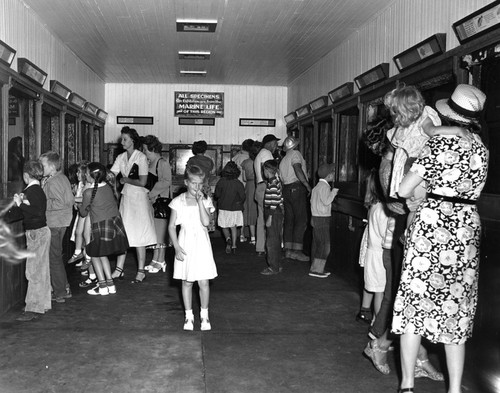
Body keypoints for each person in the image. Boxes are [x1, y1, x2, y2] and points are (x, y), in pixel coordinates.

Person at [392, 84, 488, 393]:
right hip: (466, 229)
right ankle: (455, 388)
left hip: (432, 228)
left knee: (413, 306)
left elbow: (404, 190)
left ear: (448, 114)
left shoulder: (435, 147)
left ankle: (407, 385)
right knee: (456, 310)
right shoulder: (483, 150)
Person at [362, 112, 443, 381]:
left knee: (406, 296)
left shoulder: (395, 160)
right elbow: (401, 197)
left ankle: (416, 356)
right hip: (407, 232)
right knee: (400, 294)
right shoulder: (398, 161)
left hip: (414, 229)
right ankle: (382, 345)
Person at [385, 85, 467, 226]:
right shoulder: (420, 119)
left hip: (407, 169)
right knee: (417, 208)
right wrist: (457, 130)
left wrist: (458, 130)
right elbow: (433, 131)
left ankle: (409, 236)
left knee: (413, 207)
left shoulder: (403, 127)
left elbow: (433, 131)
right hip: (417, 167)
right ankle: (411, 235)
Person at [168, 165, 217, 331]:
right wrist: (176, 247)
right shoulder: (177, 201)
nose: (197, 187)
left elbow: (205, 222)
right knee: (187, 281)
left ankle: (205, 315)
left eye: (200, 184)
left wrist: (201, 202)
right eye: (194, 183)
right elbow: (170, 227)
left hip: (202, 243)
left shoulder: (205, 200)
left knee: (204, 281)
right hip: (185, 242)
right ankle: (189, 316)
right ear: (186, 182)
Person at [110, 127, 157, 283]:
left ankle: (141, 271)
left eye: (125, 139)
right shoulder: (121, 157)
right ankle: (119, 269)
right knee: (124, 234)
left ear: (132, 141)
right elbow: (112, 174)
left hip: (139, 199)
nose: (122, 141)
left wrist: (126, 180)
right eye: (122, 139)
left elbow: (143, 181)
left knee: (139, 235)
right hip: (126, 198)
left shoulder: (141, 157)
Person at [79, 163, 129, 296]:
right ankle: (110, 284)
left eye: (86, 173)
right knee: (102, 254)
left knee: (94, 254)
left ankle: (102, 286)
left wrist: (79, 206)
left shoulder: (88, 192)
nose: (84, 175)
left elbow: (83, 213)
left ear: (90, 176)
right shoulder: (107, 186)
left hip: (100, 226)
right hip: (114, 224)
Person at [11, 161, 51, 321]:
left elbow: (36, 211)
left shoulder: (32, 190)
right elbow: (36, 206)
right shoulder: (36, 190)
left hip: (36, 233)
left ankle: (33, 307)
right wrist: (24, 201)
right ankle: (43, 304)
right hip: (41, 232)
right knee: (41, 271)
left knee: (33, 271)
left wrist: (20, 204)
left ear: (26, 176)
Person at [40, 151, 74, 304]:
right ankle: (64, 287)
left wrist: (41, 202)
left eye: (44, 165)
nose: (41, 168)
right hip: (63, 222)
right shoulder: (63, 177)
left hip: (54, 223)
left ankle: (60, 293)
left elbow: (59, 202)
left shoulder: (52, 182)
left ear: (52, 167)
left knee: (53, 258)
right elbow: (70, 200)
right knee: (57, 257)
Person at [357, 170, 389, 321]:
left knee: (375, 288)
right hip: (379, 254)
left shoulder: (373, 206)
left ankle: (373, 320)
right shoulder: (382, 209)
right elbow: (385, 235)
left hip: (372, 252)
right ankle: (377, 324)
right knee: (380, 292)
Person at [142, 135, 172, 274]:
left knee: (161, 234)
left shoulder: (162, 163)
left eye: (145, 150)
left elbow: (166, 181)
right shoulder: (149, 163)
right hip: (152, 202)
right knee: (155, 234)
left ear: (152, 149)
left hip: (160, 202)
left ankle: (161, 260)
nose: (144, 152)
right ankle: (155, 259)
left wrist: (151, 194)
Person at [279, 136, 311, 261]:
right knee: (301, 220)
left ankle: (288, 250)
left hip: (286, 190)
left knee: (289, 220)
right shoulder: (296, 154)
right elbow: (297, 168)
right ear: (295, 145)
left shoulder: (283, 160)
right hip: (296, 188)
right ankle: (297, 251)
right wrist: (307, 185)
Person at [309, 163, 338, 278]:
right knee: (325, 246)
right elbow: (326, 201)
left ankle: (315, 267)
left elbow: (312, 203)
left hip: (315, 217)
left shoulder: (316, 187)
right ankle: (317, 270)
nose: (334, 174)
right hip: (323, 218)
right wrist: (334, 192)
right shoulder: (325, 187)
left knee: (318, 243)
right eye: (333, 172)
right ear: (329, 176)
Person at [254, 135, 280, 257]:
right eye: (275, 143)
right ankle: (271, 247)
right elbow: (269, 172)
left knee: (261, 218)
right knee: (271, 217)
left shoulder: (260, 154)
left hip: (259, 187)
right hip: (266, 187)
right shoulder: (266, 154)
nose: (276, 146)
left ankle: (260, 247)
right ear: (270, 143)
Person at [214, 161, 245, 254]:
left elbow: (217, 195)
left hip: (223, 207)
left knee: (224, 226)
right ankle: (234, 246)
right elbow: (243, 196)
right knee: (233, 227)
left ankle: (228, 239)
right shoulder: (238, 183)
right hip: (235, 207)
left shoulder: (221, 181)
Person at [260, 159, 284, 276]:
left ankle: (273, 267)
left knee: (271, 241)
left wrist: (270, 217)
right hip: (277, 212)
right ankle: (277, 265)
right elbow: (280, 199)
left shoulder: (272, 183)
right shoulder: (275, 181)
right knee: (276, 239)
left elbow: (274, 201)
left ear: (266, 171)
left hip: (272, 213)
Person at [186, 140, 216, 231]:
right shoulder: (209, 160)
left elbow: (187, 173)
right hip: (205, 186)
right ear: (205, 149)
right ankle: (208, 227)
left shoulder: (191, 160)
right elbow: (213, 172)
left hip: (194, 187)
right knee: (207, 207)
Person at [68, 161, 92, 266]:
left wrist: (72, 199)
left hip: (87, 212)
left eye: (79, 172)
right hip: (81, 212)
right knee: (78, 233)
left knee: (86, 235)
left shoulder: (88, 185)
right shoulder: (80, 184)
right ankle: (78, 253)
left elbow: (85, 198)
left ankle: (87, 257)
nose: (77, 174)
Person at [233, 139, 253, 242]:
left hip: (235, 187)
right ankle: (248, 234)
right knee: (247, 211)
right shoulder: (249, 159)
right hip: (245, 187)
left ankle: (240, 235)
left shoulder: (235, 157)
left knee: (239, 211)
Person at [241, 143, 259, 246]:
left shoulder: (245, 162)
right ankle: (257, 237)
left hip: (248, 186)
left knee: (248, 210)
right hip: (258, 184)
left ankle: (252, 237)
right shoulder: (260, 161)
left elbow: (244, 178)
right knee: (257, 210)